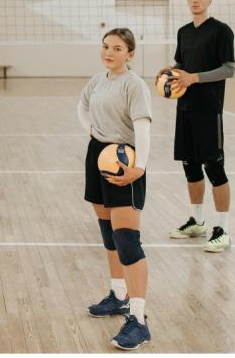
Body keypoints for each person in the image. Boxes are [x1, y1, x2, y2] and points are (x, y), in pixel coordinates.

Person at [78, 28, 153, 350]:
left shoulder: (133, 85)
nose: (109, 52)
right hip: (97, 155)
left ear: (130, 54)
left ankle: (138, 319)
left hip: (124, 160)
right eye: (106, 46)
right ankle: (118, 295)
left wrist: (140, 167)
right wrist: (91, 129)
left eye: (117, 48)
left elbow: (143, 126)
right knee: (108, 233)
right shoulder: (97, 80)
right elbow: (81, 107)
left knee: (127, 241)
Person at [156, 0, 235, 253]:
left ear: (210, 0)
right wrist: (172, 70)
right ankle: (197, 222)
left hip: (209, 108)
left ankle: (222, 229)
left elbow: (229, 69)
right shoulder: (183, 32)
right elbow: (183, 66)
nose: (195, 0)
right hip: (185, 108)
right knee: (190, 167)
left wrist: (195, 78)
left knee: (214, 168)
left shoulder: (221, 31)